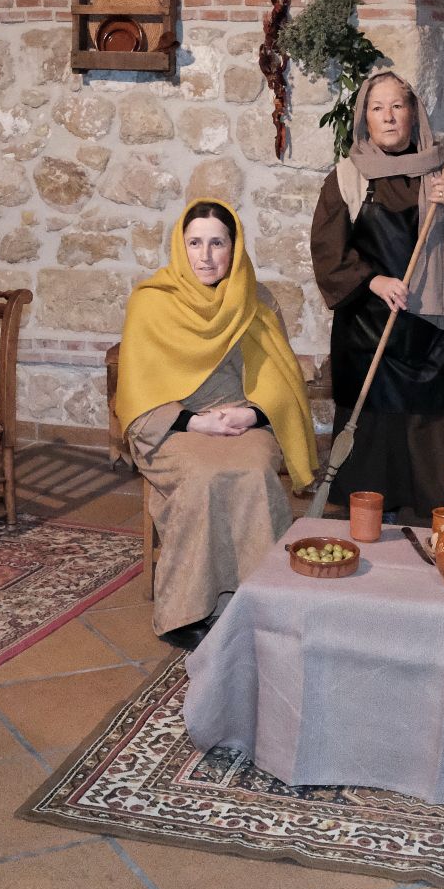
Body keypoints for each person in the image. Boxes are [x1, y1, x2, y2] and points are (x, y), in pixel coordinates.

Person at [117, 199, 318, 646]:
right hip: (172, 425)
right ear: (180, 245)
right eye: (195, 243)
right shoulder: (151, 301)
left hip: (243, 420)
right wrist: (195, 423)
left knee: (253, 472)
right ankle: (185, 613)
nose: (205, 256)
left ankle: (260, 604)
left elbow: (281, 379)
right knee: (203, 477)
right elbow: (137, 392)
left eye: (217, 243)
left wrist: (251, 414)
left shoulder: (257, 298)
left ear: (234, 246)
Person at [308, 71, 444, 517]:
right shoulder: (348, 178)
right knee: (374, 446)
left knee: (437, 446)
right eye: (377, 108)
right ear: (365, 119)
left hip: (435, 337)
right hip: (370, 330)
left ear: (414, 113)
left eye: (397, 106)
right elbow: (328, 252)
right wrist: (373, 281)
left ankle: (436, 532)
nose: (388, 117)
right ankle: (370, 533)